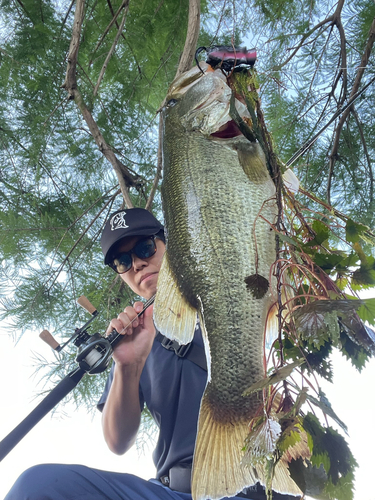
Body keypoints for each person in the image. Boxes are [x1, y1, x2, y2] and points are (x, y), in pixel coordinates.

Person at [4, 208, 300, 500]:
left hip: (262, 485)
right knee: (37, 487)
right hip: (178, 491)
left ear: (169, 244)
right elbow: (117, 441)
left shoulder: (229, 294)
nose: (137, 264)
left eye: (145, 247)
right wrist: (128, 365)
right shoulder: (133, 339)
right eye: (122, 262)